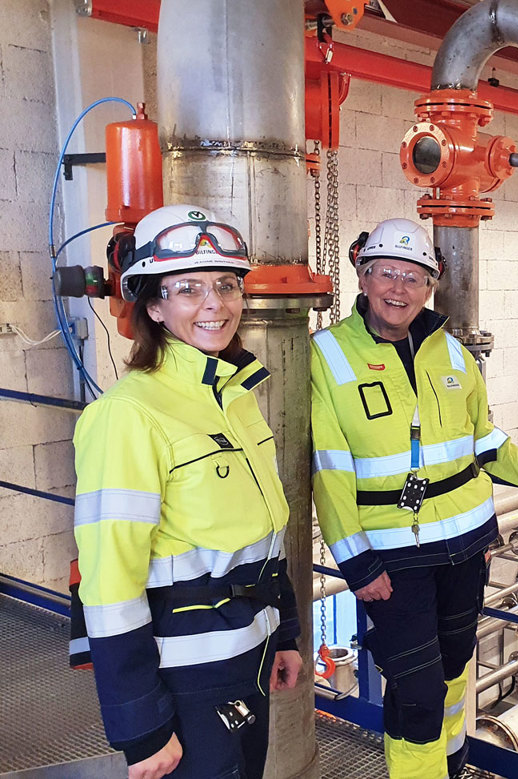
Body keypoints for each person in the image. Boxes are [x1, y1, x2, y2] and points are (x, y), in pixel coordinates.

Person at [310, 217, 518, 779]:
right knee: (415, 690)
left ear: (430, 286)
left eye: (413, 277)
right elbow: (329, 471)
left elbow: (486, 443)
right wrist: (358, 562)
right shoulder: (327, 356)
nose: (399, 289)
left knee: (456, 669)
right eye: (386, 274)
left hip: (466, 547)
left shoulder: (455, 357)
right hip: (393, 560)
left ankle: (452, 761)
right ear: (363, 278)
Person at [73, 204, 302, 779]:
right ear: (153, 305)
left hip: (247, 656)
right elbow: (109, 584)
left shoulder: (233, 396)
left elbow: (260, 538)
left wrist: (287, 632)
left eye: (226, 285)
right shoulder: (127, 416)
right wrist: (141, 728)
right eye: (188, 289)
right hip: (186, 681)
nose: (214, 304)